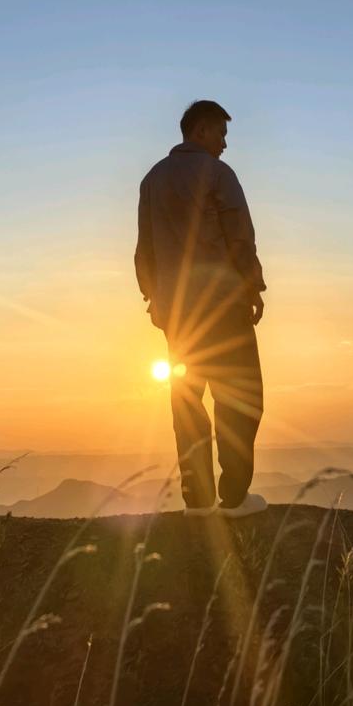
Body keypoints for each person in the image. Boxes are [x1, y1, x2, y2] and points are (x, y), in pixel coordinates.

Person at [135, 100, 268, 518]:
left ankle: (197, 502)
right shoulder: (217, 174)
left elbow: (145, 249)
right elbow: (239, 236)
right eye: (222, 133)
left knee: (187, 403)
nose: (225, 144)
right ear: (202, 130)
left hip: (177, 314)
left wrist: (154, 298)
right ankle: (233, 499)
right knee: (240, 398)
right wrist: (253, 287)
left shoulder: (152, 179)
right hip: (222, 306)